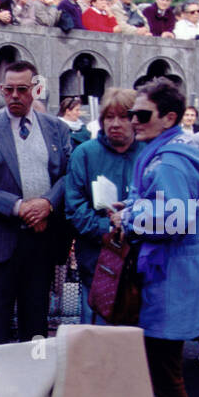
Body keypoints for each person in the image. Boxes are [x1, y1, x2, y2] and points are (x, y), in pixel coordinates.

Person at [108, 79, 199, 397]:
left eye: (142, 115)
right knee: (160, 366)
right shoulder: (174, 154)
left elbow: (174, 221)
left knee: (166, 369)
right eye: (132, 114)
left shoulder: (168, 161)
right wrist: (136, 206)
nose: (134, 122)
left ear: (169, 117)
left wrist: (127, 218)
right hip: (177, 271)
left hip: (172, 275)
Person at [0, 60, 73, 346]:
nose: (15, 96)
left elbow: (66, 176)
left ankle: (34, 380)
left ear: (35, 89)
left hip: (41, 241)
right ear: (2, 90)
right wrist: (21, 208)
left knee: (36, 323)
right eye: (9, 89)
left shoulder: (56, 129)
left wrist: (47, 204)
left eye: (22, 89)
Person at [65, 88, 143, 325]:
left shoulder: (148, 153)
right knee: (96, 330)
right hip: (98, 260)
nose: (116, 124)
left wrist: (132, 223)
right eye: (109, 117)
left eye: (124, 117)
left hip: (140, 259)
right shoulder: (84, 154)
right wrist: (109, 227)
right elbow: (74, 208)